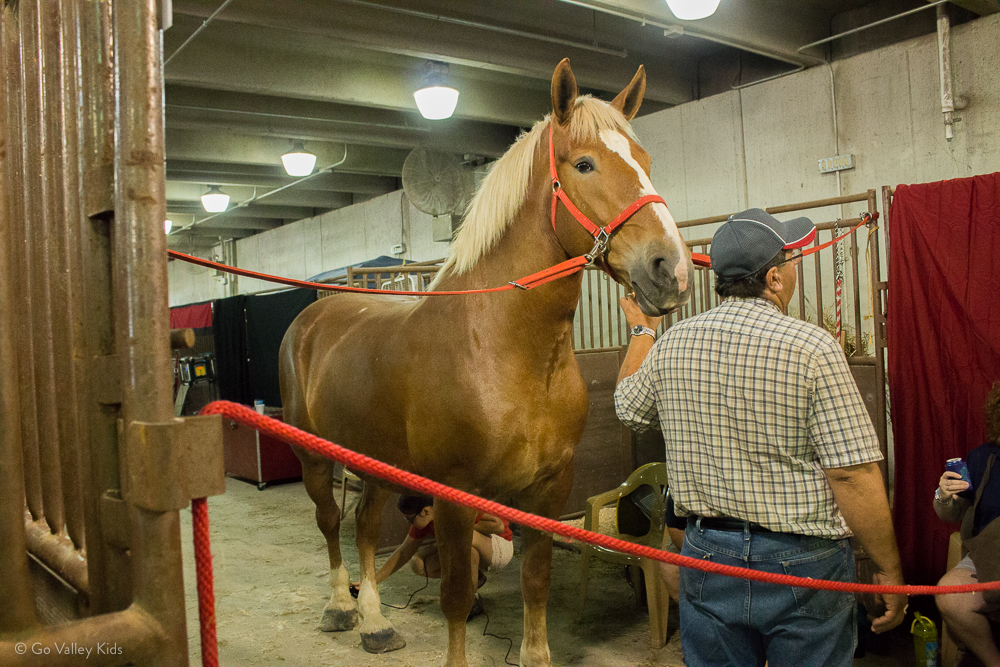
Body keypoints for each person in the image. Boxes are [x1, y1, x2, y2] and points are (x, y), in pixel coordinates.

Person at [614, 208, 907, 667]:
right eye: (790, 259)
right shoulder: (813, 348)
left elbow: (629, 408)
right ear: (773, 278)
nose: (792, 268)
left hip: (709, 553)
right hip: (801, 561)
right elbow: (850, 474)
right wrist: (888, 570)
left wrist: (642, 330)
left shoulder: (672, 343)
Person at [934, 382, 1000, 667]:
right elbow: (951, 513)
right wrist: (942, 494)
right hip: (990, 554)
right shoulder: (983, 457)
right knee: (950, 597)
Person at [372, 495, 514, 620]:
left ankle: (471, 599)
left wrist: (458, 523)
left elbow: (499, 526)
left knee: (460, 540)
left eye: (410, 519)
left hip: (498, 546)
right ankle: (475, 578)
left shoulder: (454, 505)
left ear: (426, 511)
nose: (409, 523)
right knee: (418, 563)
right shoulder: (425, 519)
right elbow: (403, 552)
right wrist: (371, 582)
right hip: (469, 544)